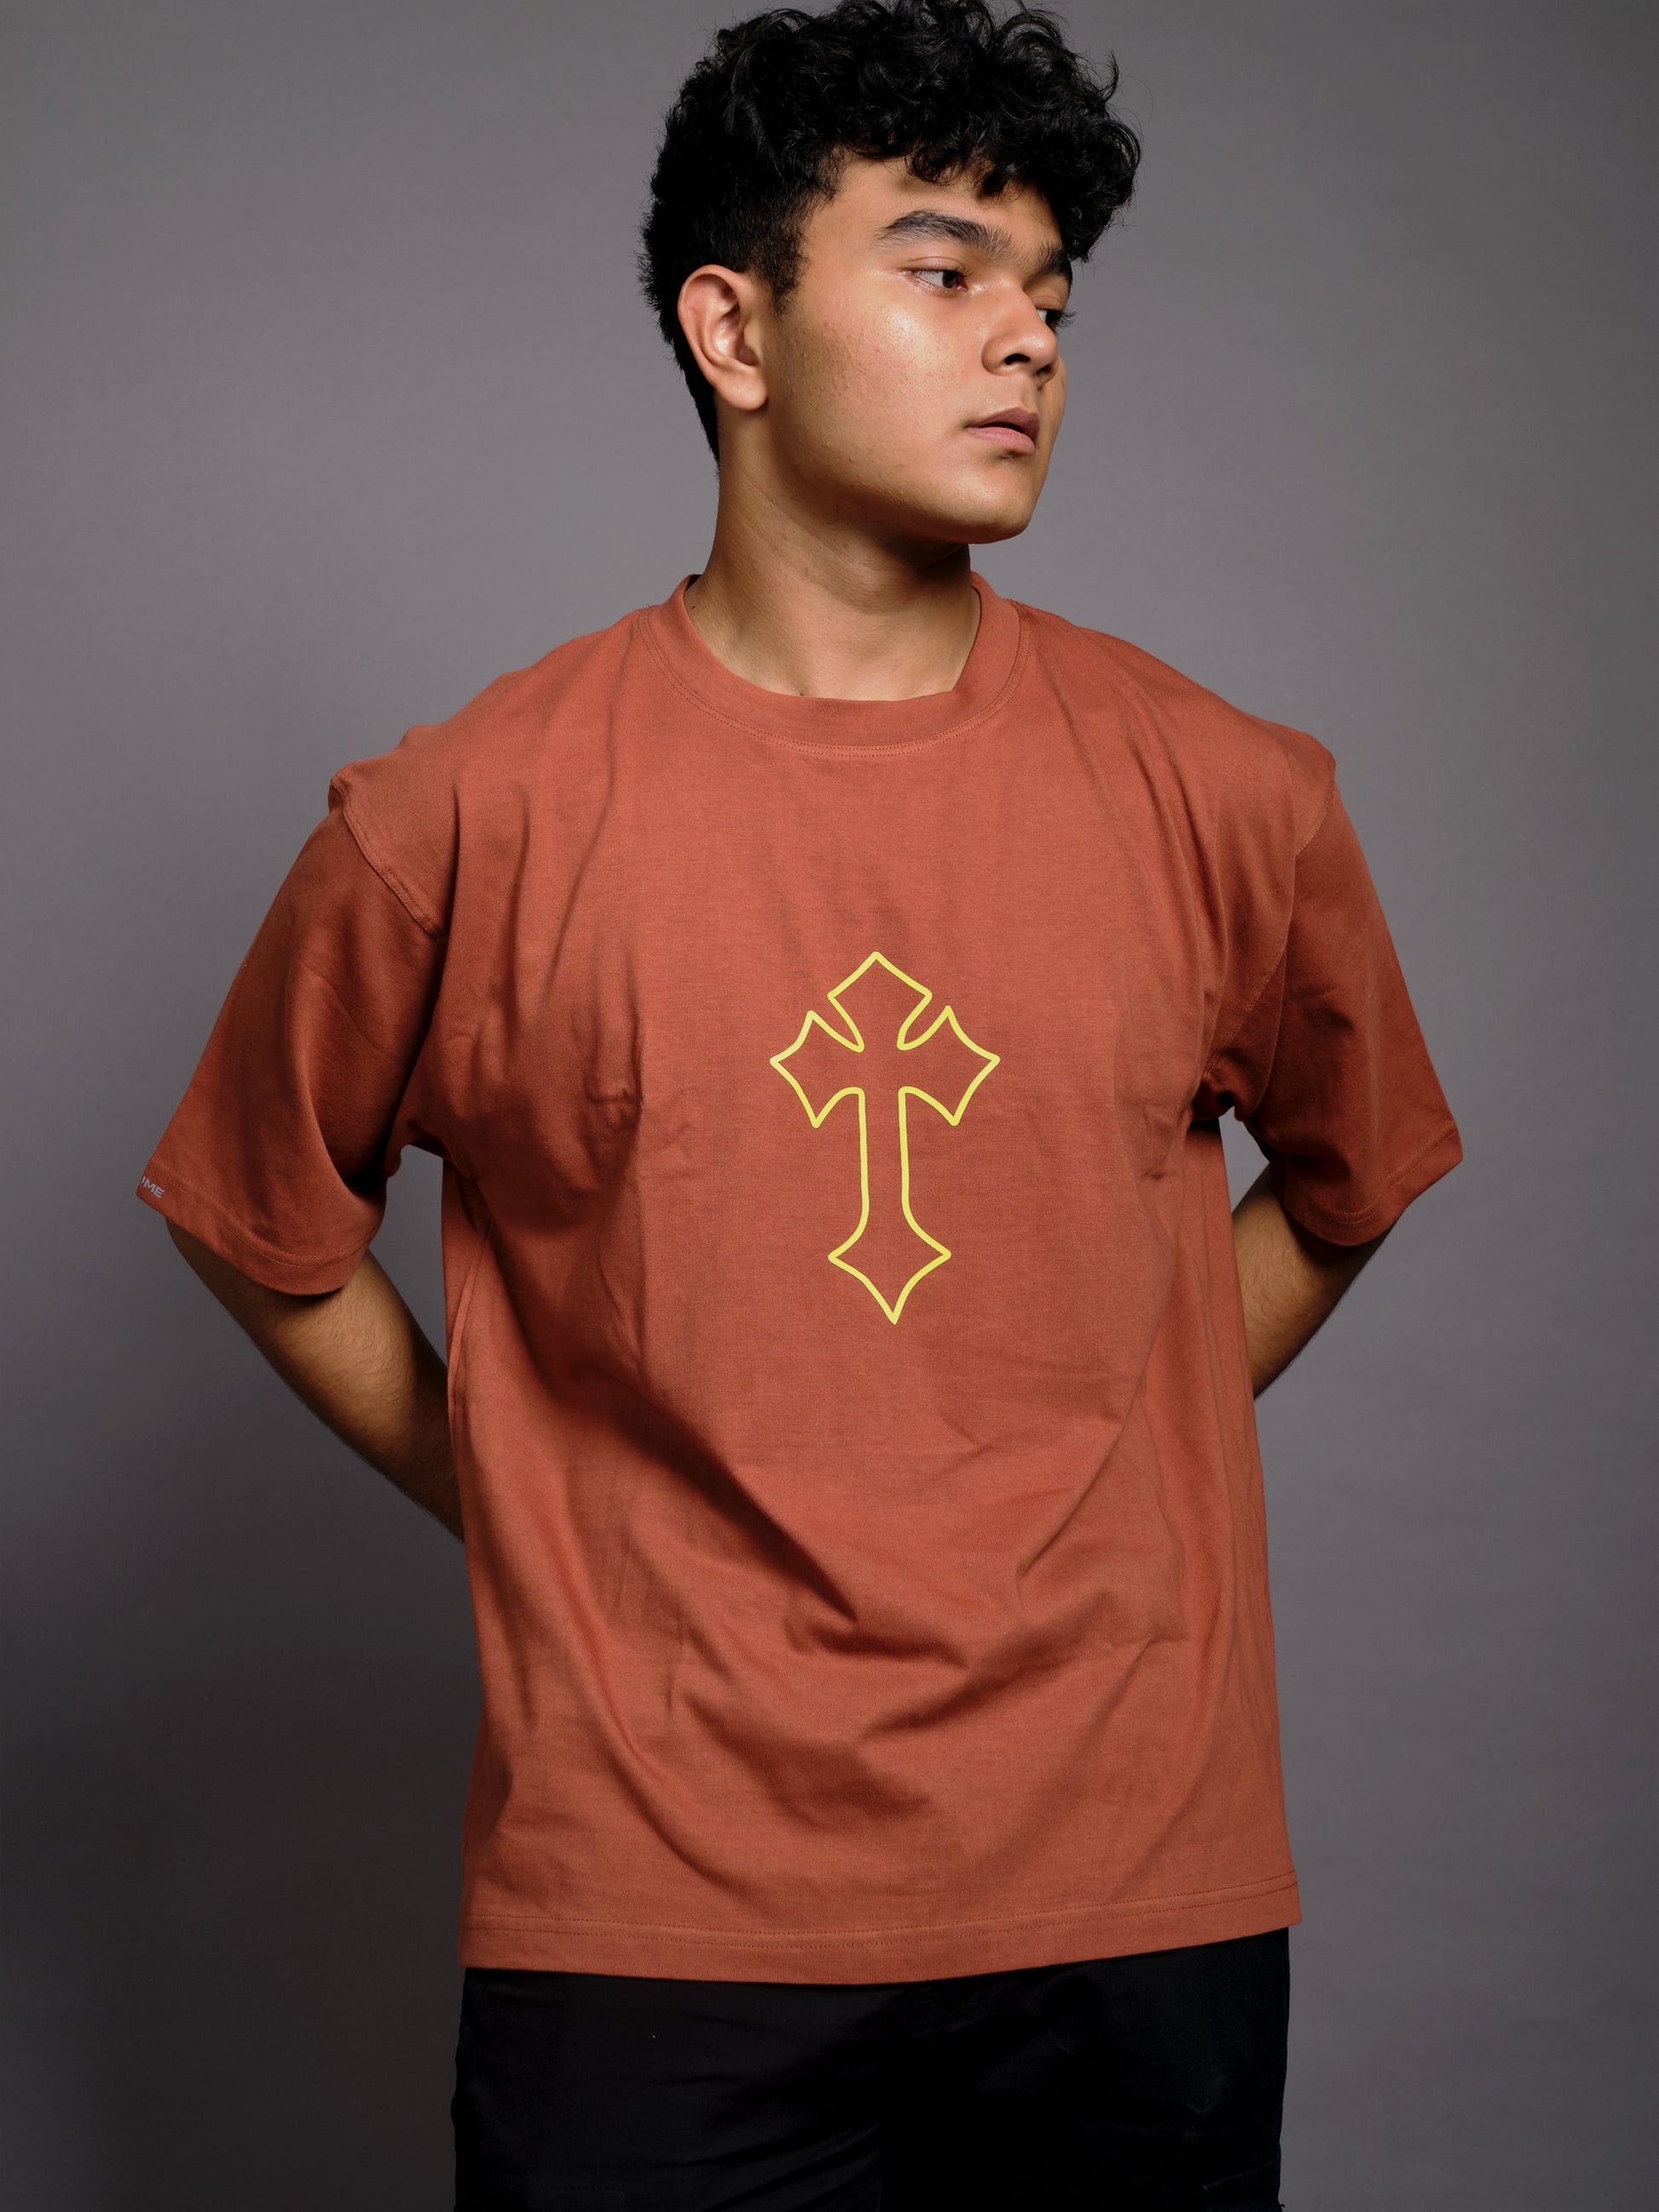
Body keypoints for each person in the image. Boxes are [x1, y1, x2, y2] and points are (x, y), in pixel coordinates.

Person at [138, 2, 1463, 2204]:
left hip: (1131, 1896)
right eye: (945, 270)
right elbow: (254, 1217)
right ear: (732, 329)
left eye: (1052, 298)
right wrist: (525, 1495)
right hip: (651, 1919)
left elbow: (1350, 1176)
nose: (1025, 341)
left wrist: (1104, 1417)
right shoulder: (463, 820)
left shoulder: (1236, 799)